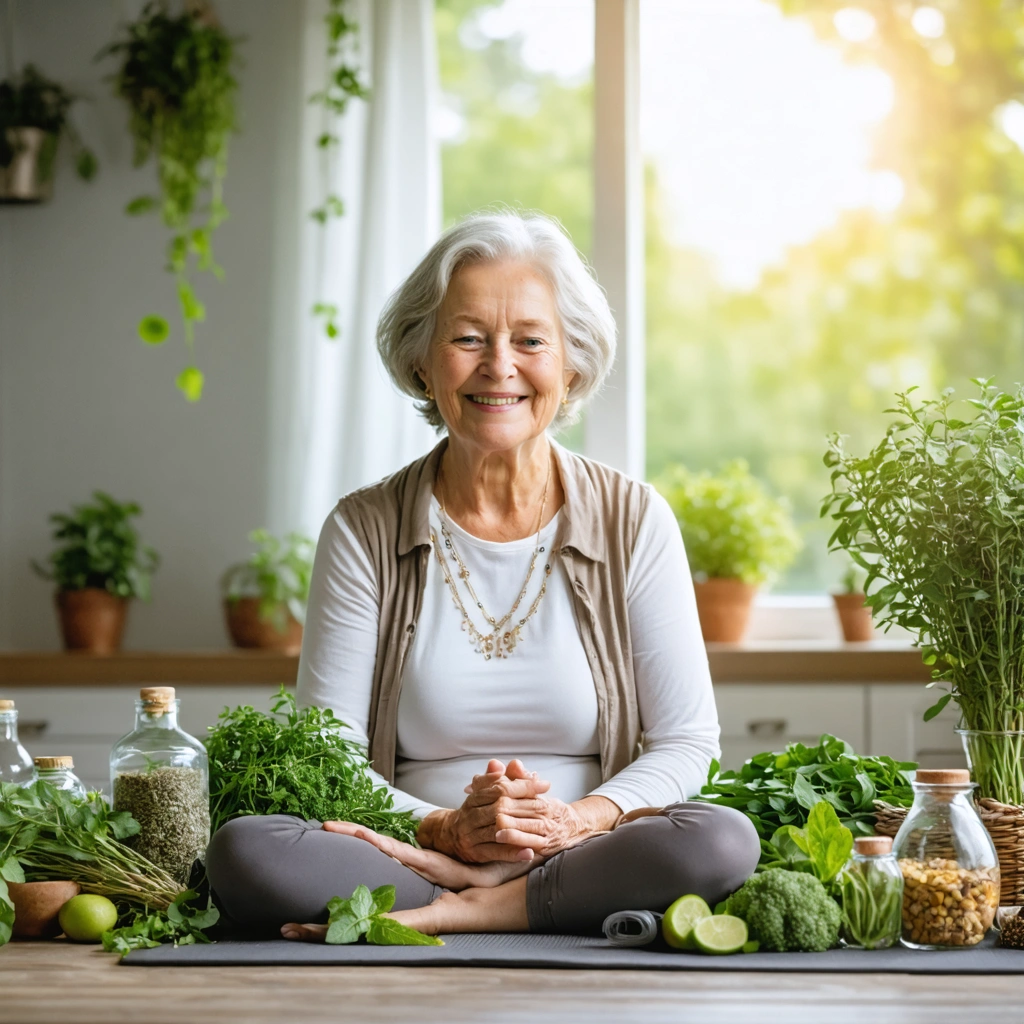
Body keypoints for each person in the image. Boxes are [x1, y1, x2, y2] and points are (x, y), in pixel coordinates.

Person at [205, 212, 759, 940]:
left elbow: (686, 742)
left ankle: (473, 912)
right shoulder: (363, 527)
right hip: (412, 855)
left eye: (530, 340)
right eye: (468, 338)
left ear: (571, 365)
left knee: (720, 840)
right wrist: (446, 829)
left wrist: (570, 822)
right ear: (422, 363)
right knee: (247, 850)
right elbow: (328, 754)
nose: (500, 366)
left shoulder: (634, 519)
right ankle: (503, 902)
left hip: (589, 852)